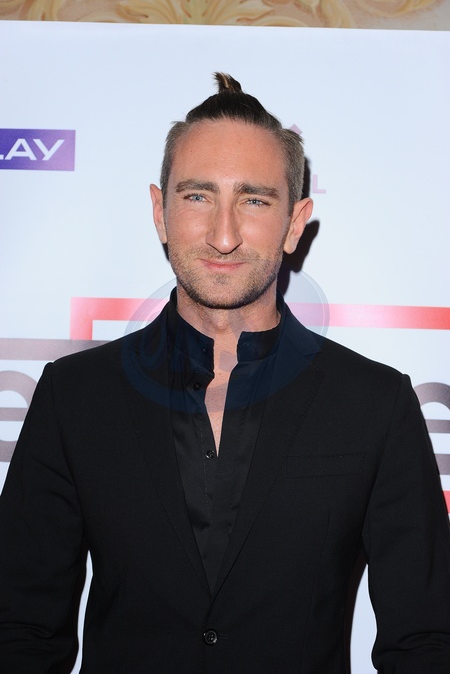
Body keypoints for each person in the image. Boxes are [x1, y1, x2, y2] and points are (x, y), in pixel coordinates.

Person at [0, 73, 449, 674]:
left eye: (254, 201)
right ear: (160, 211)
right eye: (198, 196)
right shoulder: (73, 395)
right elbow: (22, 631)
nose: (223, 235)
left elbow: (425, 642)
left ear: (295, 223)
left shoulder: (376, 403)